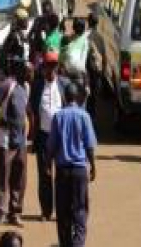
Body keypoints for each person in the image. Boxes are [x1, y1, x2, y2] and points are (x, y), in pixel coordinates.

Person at [47, 83, 97, 247]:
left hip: (62, 171)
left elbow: (51, 146)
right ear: (77, 98)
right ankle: (78, 243)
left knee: (63, 212)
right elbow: (89, 146)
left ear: (64, 97)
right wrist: (93, 167)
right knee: (80, 210)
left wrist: (48, 164)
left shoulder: (58, 117)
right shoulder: (84, 116)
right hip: (79, 171)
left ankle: (66, 243)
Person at [0, 58, 31, 227]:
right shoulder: (8, 85)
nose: (31, 73)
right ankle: (0, 213)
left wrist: (29, 128)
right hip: (6, 140)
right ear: (20, 71)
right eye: (28, 70)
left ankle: (15, 212)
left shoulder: (26, 87)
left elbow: (26, 110)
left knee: (20, 176)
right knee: (3, 178)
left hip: (21, 139)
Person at [29, 52, 69, 221]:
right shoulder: (37, 86)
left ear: (58, 67)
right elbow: (30, 108)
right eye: (47, 66)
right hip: (43, 137)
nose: (50, 69)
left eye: (53, 65)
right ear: (43, 68)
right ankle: (46, 211)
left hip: (60, 138)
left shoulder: (64, 85)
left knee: (61, 175)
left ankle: (61, 211)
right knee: (44, 175)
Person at [62, 18, 89, 96]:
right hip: (78, 75)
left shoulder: (66, 39)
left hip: (67, 75)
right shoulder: (85, 41)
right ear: (83, 29)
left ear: (73, 27)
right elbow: (83, 63)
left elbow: (62, 58)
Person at [0, 9, 30, 76]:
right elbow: (9, 57)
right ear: (19, 21)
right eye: (25, 19)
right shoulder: (14, 36)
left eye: (27, 19)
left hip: (22, 72)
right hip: (15, 74)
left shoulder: (22, 34)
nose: (27, 22)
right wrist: (23, 61)